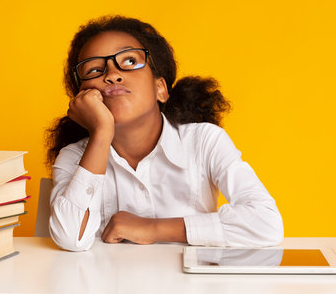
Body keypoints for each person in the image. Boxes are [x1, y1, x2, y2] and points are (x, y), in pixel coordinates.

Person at [46, 15, 283, 252]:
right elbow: (70, 238)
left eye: (129, 61)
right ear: (82, 98)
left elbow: (266, 223)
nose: (112, 74)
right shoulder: (73, 157)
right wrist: (100, 132)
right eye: (95, 69)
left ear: (160, 88)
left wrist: (151, 228)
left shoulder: (204, 141)